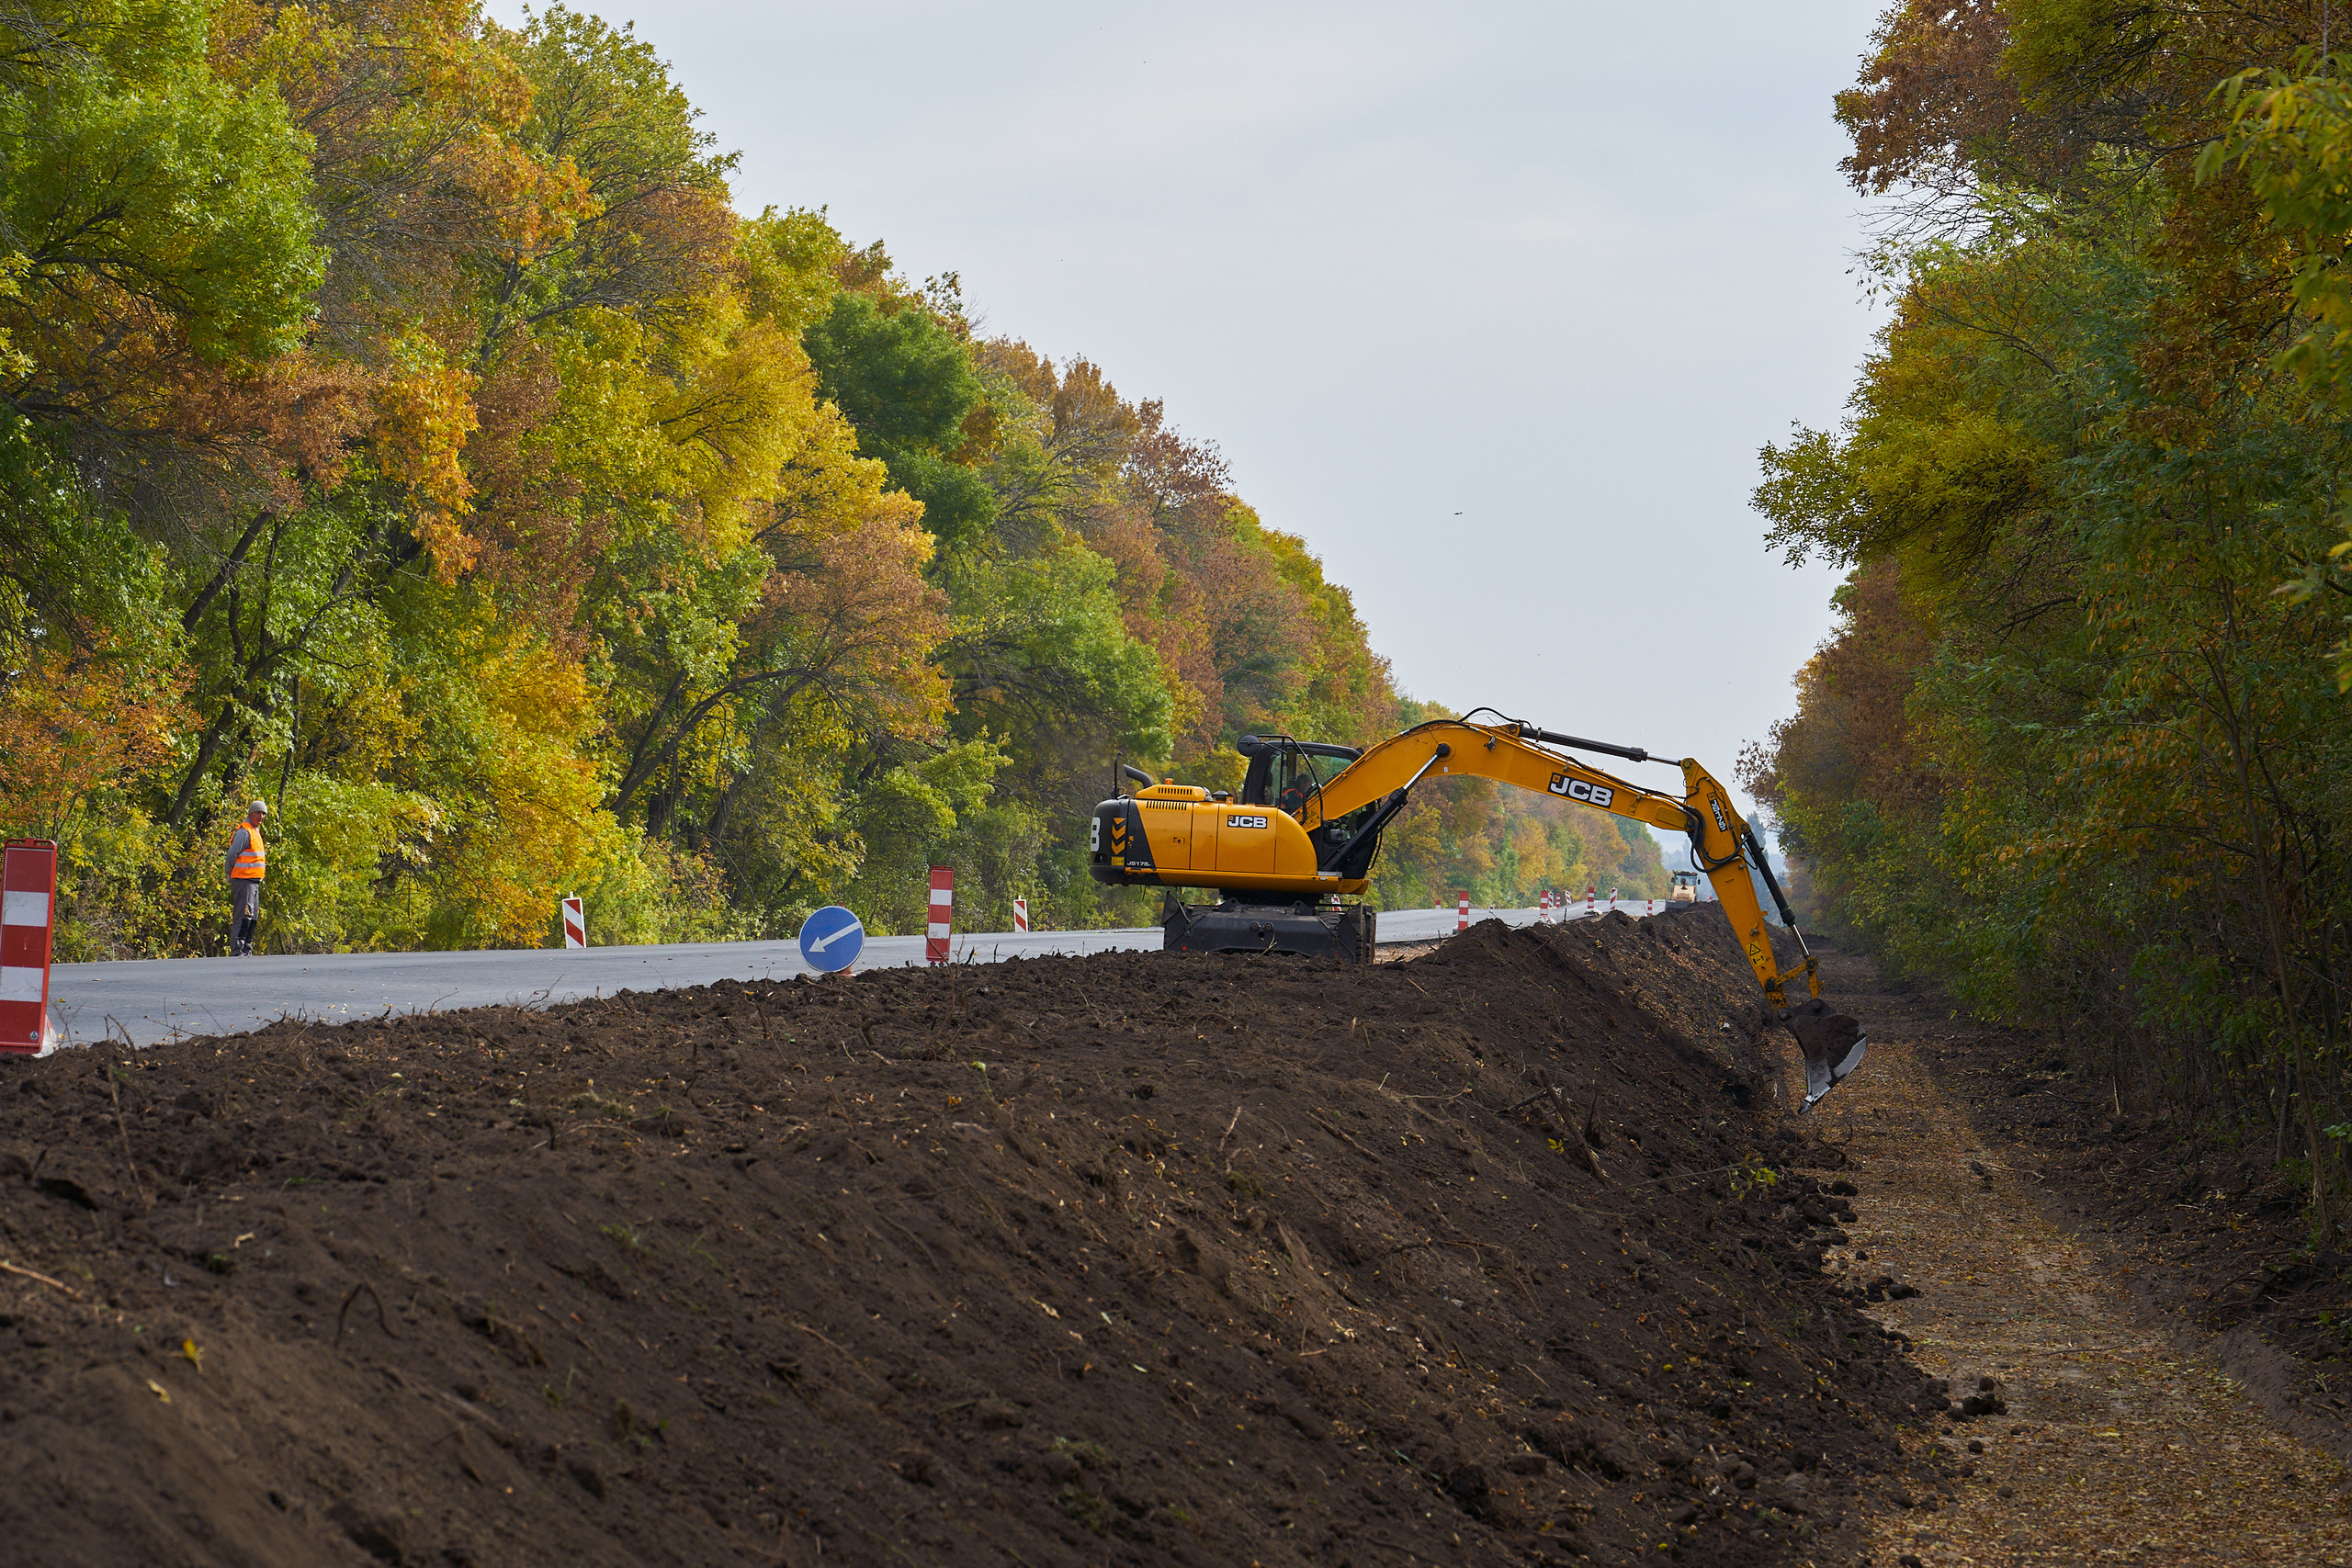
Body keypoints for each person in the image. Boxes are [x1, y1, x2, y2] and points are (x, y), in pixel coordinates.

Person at [224, 800, 268, 956]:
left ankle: (246, 950)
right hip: (243, 881)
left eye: (264, 814)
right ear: (251, 813)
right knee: (243, 916)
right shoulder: (244, 832)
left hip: (254, 882)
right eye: (258, 812)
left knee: (252, 918)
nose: (261, 816)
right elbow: (231, 854)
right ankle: (237, 951)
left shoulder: (255, 831)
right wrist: (229, 874)